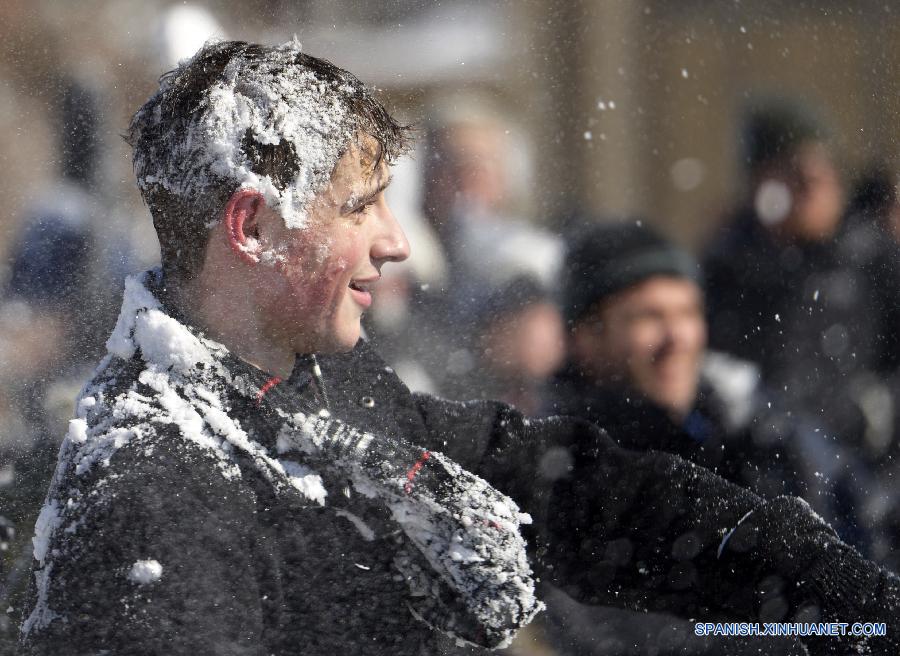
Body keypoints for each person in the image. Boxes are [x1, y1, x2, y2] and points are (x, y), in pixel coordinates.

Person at [17, 40, 900, 656]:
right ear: (252, 226)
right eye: (361, 206)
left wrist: (816, 582)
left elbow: (557, 491)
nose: (397, 241)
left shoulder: (314, 381)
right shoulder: (149, 489)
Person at [545, 221, 847, 655]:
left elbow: (857, 533)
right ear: (585, 338)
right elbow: (614, 636)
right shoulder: (559, 462)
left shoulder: (753, 428)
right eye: (649, 316)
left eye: (688, 313)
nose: (678, 338)